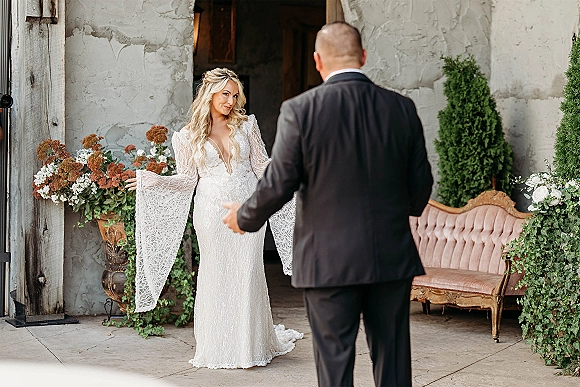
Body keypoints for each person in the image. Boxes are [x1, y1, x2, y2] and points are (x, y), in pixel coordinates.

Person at [223, 22, 433, 386]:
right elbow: (421, 187)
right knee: (394, 361)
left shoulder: (300, 110)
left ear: (318, 61)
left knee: (334, 368)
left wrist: (244, 217)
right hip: (390, 256)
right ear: (363, 57)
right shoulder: (401, 108)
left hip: (328, 260)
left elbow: (279, 183)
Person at [127, 67, 301, 369]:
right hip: (210, 213)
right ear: (208, 94)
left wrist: (294, 170)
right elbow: (186, 180)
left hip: (249, 208)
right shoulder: (186, 136)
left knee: (247, 274)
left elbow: (262, 167)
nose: (231, 101)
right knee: (216, 276)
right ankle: (217, 347)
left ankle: (249, 346)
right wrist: (157, 181)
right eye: (225, 94)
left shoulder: (247, 126)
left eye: (235, 95)